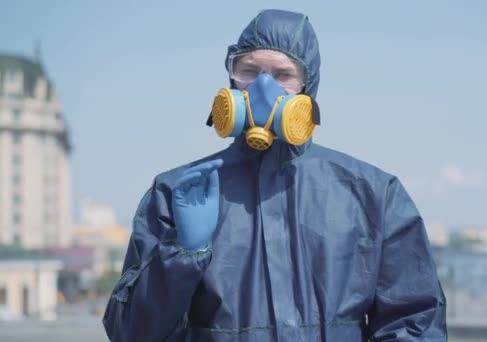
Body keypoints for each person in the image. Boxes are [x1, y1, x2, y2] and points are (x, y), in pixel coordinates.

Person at [103, 9, 447, 342]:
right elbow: (131, 333)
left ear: (307, 86)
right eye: (249, 71)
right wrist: (181, 254)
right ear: (231, 79)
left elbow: (414, 321)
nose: (263, 88)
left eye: (283, 75)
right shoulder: (178, 192)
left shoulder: (372, 193)